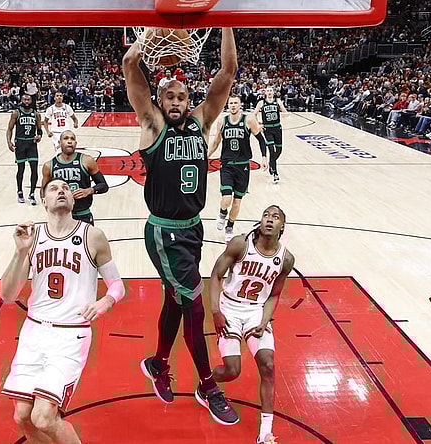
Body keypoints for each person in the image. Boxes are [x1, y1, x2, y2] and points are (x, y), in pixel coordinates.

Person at [122, 28, 240, 425]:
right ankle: (208, 386)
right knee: (193, 304)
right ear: (160, 100)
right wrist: (145, 39)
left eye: (181, 97)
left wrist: (225, 22)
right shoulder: (153, 124)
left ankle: (158, 363)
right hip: (164, 232)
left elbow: (227, 72)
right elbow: (130, 67)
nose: (175, 102)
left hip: (192, 228)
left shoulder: (202, 123)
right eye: (169, 96)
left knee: (176, 299)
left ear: (190, 101)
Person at [0, 177, 125, 444]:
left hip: (71, 334)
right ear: (43, 201)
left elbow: (117, 285)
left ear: (73, 200)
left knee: (44, 417)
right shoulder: (32, 238)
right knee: (22, 417)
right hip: (34, 331)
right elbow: (7, 296)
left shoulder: (92, 236)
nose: (62, 191)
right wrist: (20, 253)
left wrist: (105, 301)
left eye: (66, 188)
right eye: (54, 188)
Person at [209, 205, 295, 444]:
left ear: (282, 227)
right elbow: (215, 276)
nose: (269, 219)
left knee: (268, 365)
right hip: (229, 307)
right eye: (266, 215)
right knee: (232, 370)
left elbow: (274, 295)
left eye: (275, 217)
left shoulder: (286, 259)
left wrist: (265, 320)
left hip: (256, 310)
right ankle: (206, 383)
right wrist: (215, 311)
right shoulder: (240, 244)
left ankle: (265, 433)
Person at [208, 94, 261, 243]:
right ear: (228, 105)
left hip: (243, 166)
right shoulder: (222, 121)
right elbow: (216, 141)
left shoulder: (248, 120)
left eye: (235, 103)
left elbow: (260, 139)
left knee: (237, 202)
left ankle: (229, 227)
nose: (233, 105)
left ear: (240, 105)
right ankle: (222, 212)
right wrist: (207, 156)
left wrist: (264, 157)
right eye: (230, 103)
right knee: (226, 199)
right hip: (227, 164)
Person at [41, 131, 108, 225]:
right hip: (61, 215)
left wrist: (88, 191)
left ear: (75, 144)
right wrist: (49, 209)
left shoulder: (87, 160)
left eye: (72, 139)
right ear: (59, 143)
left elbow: (104, 186)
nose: (69, 141)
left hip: (83, 214)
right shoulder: (49, 165)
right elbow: (43, 191)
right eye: (66, 138)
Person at [7, 93, 43, 204]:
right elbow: (10, 129)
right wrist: (9, 142)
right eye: (25, 99)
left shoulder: (36, 114)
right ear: (21, 100)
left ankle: (32, 194)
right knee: (21, 169)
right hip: (20, 143)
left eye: (28, 100)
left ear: (31, 101)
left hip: (32, 143)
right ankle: (19, 191)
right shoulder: (16, 113)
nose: (26, 101)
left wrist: (39, 135)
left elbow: (39, 129)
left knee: (34, 169)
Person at [253, 87, 288, 183]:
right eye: (267, 91)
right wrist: (258, 125)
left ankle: (271, 162)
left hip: (277, 128)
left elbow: (285, 111)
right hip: (267, 129)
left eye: (270, 91)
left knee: (279, 151)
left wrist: (285, 114)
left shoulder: (278, 101)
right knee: (271, 150)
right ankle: (275, 173)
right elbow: (254, 114)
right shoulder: (261, 103)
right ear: (265, 93)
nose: (269, 92)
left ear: (273, 92)